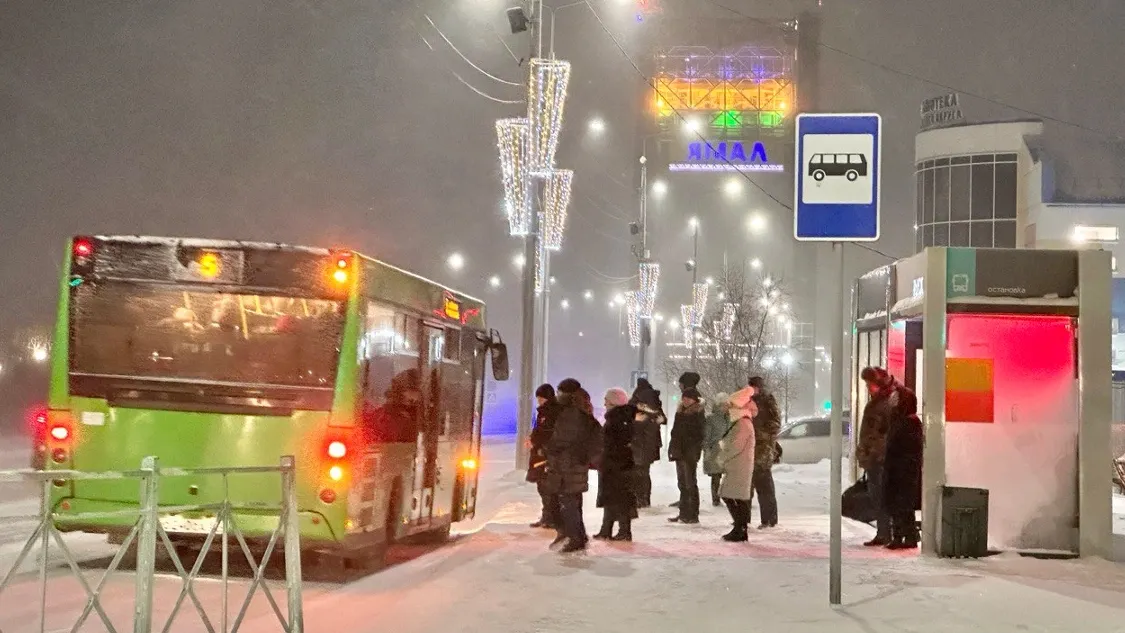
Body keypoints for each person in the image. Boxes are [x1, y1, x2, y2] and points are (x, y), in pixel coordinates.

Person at [544, 378, 599, 553]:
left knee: (567, 502)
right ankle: (578, 536)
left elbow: (563, 439)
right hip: (575, 464)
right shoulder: (581, 408)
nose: (557, 395)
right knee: (573, 501)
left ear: (566, 393)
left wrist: (548, 448)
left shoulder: (571, 413)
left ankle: (574, 538)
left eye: (559, 391)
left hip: (567, 464)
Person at [856, 366, 902, 546]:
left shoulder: (886, 402)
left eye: (870, 384)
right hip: (875, 457)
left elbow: (883, 433)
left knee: (882, 497)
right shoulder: (880, 401)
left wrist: (873, 452)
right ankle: (884, 532)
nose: (868, 388)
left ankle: (887, 532)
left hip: (879, 458)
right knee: (878, 496)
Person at [883, 386, 923, 549]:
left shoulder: (910, 422)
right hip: (896, 468)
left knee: (903, 504)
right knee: (897, 503)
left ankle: (908, 535)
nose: (892, 400)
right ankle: (900, 535)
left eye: (896, 398)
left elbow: (907, 447)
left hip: (904, 469)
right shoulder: (898, 419)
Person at [594, 388, 637, 541]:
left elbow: (615, 443)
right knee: (613, 498)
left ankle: (623, 531)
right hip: (616, 464)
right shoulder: (620, 417)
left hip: (616, 465)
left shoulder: (617, 419)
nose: (604, 403)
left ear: (613, 402)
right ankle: (607, 529)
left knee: (619, 498)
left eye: (606, 400)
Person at [717, 387, 757, 542]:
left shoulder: (742, 424)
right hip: (737, 465)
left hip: (738, 465)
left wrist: (722, 457)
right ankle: (740, 528)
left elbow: (735, 446)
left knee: (732, 497)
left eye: (731, 405)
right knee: (736, 497)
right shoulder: (742, 422)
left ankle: (740, 528)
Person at [668, 387, 706, 524]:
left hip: (689, 453)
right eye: (683, 398)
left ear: (694, 400)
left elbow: (699, 435)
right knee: (682, 484)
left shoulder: (697, 414)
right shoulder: (680, 413)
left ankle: (692, 514)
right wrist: (672, 448)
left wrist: (692, 449)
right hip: (679, 452)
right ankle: (683, 513)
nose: (685, 400)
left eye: (688, 398)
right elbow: (675, 432)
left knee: (690, 483)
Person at [748, 376, 781, 528]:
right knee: (746, 487)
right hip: (749, 447)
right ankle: (743, 519)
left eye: (754, 387)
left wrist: (760, 433)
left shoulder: (768, 401)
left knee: (764, 485)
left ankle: (769, 519)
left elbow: (775, 424)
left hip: (763, 449)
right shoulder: (747, 400)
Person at [528, 384, 561, 529]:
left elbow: (546, 433)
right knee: (543, 487)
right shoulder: (544, 411)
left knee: (546, 487)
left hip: (545, 455)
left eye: (541, 398)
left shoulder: (550, 412)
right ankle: (547, 516)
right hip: (541, 454)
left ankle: (550, 518)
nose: (539, 401)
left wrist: (536, 442)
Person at [629, 380, 664, 508]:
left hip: (638, 442)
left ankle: (639, 498)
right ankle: (645, 498)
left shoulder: (636, 403)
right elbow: (662, 419)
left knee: (637, 472)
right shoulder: (655, 403)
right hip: (651, 443)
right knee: (644, 472)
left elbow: (630, 423)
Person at [702, 394, 731, 507]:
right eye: (725, 404)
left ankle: (728, 497)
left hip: (727, 451)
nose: (727, 406)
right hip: (715, 451)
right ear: (719, 405)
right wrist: (707, 450)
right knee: (716, 476)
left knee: (729, 475)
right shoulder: (711, 419)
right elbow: (706, 436)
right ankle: (716, 499)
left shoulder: (729, 418)